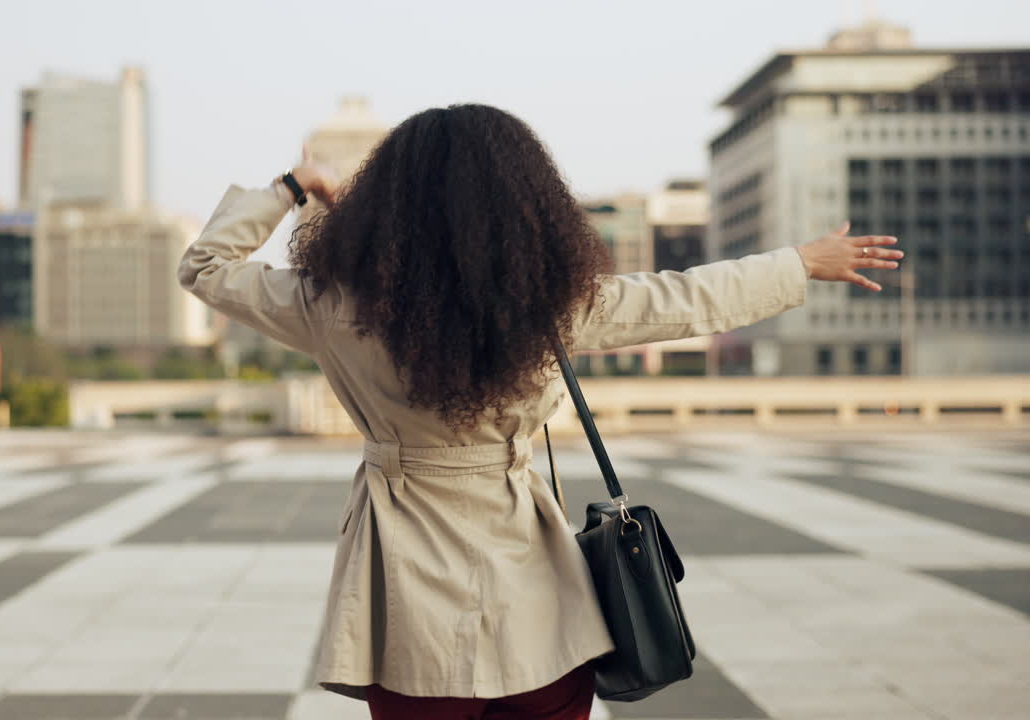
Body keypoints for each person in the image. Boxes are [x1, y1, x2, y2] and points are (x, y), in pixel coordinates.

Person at [178, 103, 903, 720]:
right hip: (538, 602)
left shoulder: (328, 304)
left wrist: (292, 187)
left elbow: (205, 268)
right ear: (526, 208)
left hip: (408, 612)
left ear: (383, 205)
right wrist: (802, 262)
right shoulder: (555, 306)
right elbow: (688, 299)